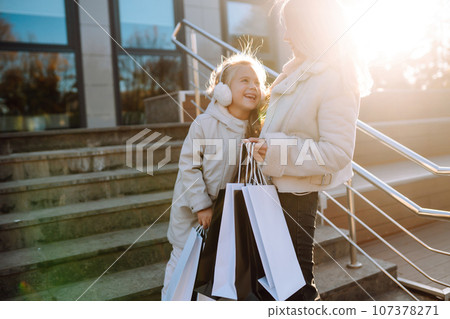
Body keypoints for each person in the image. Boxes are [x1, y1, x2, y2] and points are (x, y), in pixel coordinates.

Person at [247, 0, 373, 301]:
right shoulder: (297, 73)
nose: (286, 37)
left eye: (291, 27)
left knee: (295, 289)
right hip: (275, 191)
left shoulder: (334, 78)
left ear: (310, 29)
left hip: (297, 197)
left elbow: (336, 152)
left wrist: (274, 150)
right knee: (276, 285)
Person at [161, 51, 267, 300]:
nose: (253, 86)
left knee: (213, 278)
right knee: (180, 274)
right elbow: (189, 167)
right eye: (244, 80)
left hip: (226, 220)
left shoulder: (256, 129)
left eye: (257, 83)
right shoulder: (205, 124)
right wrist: (201, 205)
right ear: (223, 90)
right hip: (193, 218)